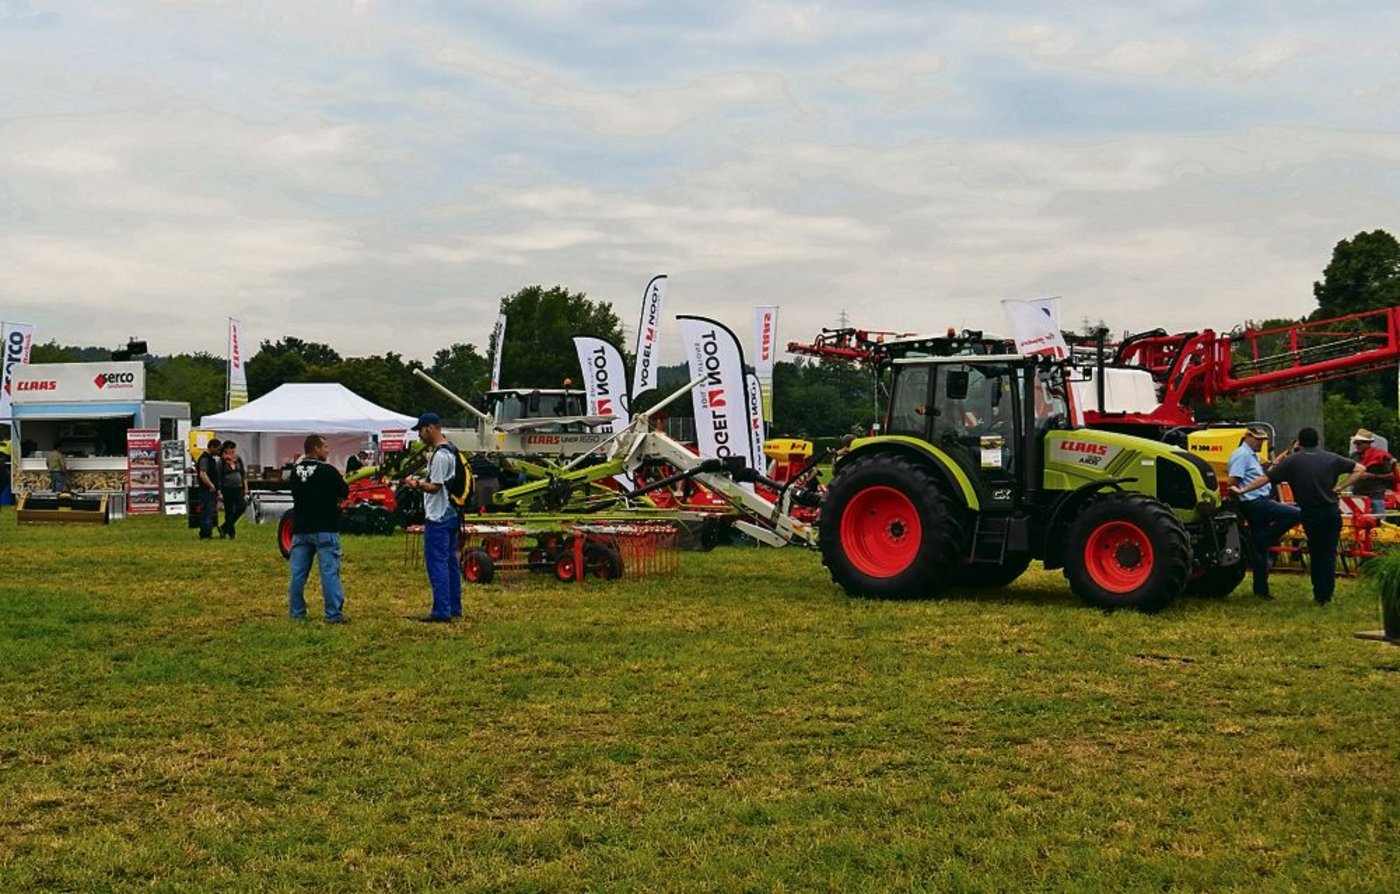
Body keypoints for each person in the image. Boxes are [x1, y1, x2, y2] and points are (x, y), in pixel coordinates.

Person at [1233, 427, 1366, 606]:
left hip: (1310, 513)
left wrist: (1243, 490)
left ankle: (1318, 591)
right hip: (1331, 512)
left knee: (1316, 552)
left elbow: (1265, 479)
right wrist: (1341, 487)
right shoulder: (1331, 458)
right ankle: (1325, 596)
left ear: (1300, 442)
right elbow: (1360, 469)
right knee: (1328, 553)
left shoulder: (1292, 461)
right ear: (1317, 441)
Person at [1227, 425, 1301, 600]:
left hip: (1257, 502)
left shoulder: (1250, 456)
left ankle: (1261, 590)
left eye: (1262, 440)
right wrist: (1239, 495)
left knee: (1260, 550)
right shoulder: (1242, 455)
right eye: (1258, 440)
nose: (1261, 443)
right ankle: (1266, 537)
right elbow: (1232, 481)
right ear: (1248, 437)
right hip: (1255, 503)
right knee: (1296, 513)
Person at [405, 412, 461, 622]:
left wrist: (416, 484)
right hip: (452, 514)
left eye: (421, 430)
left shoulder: (439, 455)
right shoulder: (451, 450)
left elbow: (435, 486)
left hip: (438, 516)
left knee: (437, 564)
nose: (420, 435)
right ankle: (454, 606)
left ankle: (441, 611)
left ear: (430, 428)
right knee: (450, 563)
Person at [287, 433, 350, 623]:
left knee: (297, 574)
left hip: (301, 528)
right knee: (329, 572)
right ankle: (333, 614)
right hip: (325, 528)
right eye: (325, 447)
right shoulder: (328, 471)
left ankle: (297, 613)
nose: (328, 451)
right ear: (315, 448)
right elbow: (343, 492)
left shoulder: (295, 471)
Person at [1348, 429, 1394, 523]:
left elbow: (1390, 475)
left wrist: (1372, 475)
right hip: (1358, 493)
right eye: (1355, 443)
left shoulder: (1381, 456)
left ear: (1368, 443)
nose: (1356, 446)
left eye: (1359, 443)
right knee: (1357, 522)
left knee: (1379, 522)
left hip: (1375, 493)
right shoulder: (1354, 456)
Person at [219, 440, 250, 539]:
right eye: (230, 450)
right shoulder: (221, 462)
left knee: (242, 506)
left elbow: (243, 473)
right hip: (227, 488)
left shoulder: (238, 459)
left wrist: (245, 487)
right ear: (225, 450)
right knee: (229, 510)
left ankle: (224, 527)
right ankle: (231, 532)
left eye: (233, 450)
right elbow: (219, 477)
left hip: (238, 488)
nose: (232, 452)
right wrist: (219, 491)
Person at [195, 439, 223, 539]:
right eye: (217, 449)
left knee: (210, 512)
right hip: (206, 490)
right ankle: (205, 534)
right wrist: (211, 485)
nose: (218, 452)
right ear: (211, 447)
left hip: (210, 490)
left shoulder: (210, 459)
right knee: (207, 511)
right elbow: (203, 474)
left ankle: (207, 532)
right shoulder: (204, 459)